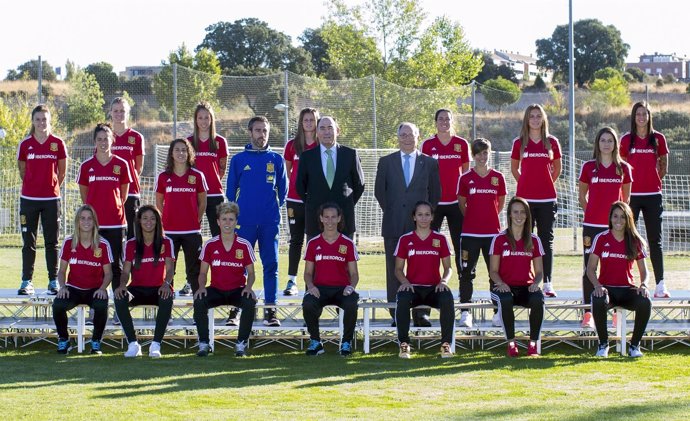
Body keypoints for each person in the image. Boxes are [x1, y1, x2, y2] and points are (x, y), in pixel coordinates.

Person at [374, 122, 440, 327]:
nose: (407, 138)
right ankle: (396, 312)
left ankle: (421, 313)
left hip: (421, 228)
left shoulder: (429, 163)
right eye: (403, 135)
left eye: (411, 135)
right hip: (393, 224)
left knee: (424, 269)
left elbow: (435, 195)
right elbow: (380, 192)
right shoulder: (386, 162)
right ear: (398, 138)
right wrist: (396, 211)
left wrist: (422, 219)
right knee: (394, 269)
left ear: (418, 136)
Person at [226, 116, 287, 327]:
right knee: (240, 266)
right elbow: (230, 192)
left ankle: (271, 311)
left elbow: (283, 191)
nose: (262, 135)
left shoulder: (277, 160)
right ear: (250, 132)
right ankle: (236, 309)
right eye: (258, 130)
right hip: (245, 224)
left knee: (271, 265)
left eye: (265, 131)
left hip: (269, 223)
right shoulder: (239, 160)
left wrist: (270, 210)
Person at [578, 127, 632, 328]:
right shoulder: (588, 167)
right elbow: (582, 196)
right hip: (592, 226)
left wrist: (617, 221)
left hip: (615, 229)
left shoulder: (623, 168)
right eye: (603, 140)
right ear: (597, 144)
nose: (606, 144)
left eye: (610, 140)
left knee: (615, 267)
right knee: (589, 269)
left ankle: (616, 311)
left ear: (615, 144)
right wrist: (592, 212)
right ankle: (588, 312)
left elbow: (625, 200)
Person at [586, 201, 652, 358]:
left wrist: (644, 285)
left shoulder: (635, 241)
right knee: (598, 298)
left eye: (623, 217)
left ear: (628, 219)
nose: (618, 220)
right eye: (615, 216)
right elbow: (590, 269)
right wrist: (597, 286)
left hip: (627, 290)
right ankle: (603, 344)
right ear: (610, 218)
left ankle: (634, 346)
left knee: (645, 301)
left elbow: (644, 271)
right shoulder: (601, 238)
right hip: (607, 289)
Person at [510, 104, 561, 297]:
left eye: (539, 116)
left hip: (547, 199)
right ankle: (525, 280)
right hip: (525, 201)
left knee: (546, 240)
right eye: (532, 116)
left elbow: (557, 169)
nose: (535, 119)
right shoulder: (519, 143)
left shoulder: (552, 142)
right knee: (525, 241)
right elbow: (515, 169)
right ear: (526, 119)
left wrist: (544, 184)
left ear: (543, 119)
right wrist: (526, 184)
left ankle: (547, 282)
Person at [194, 202, 257, 357]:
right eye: (224, 219)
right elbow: (202, 273)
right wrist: (201, 287)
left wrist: (248, 287)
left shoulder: (244, 245)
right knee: (199, 300)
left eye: (231, 219)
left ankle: (241, 344)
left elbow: (252, 273)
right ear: (218, 222)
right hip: (216, 289)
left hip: (237, 290)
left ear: (236, 222)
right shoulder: (209, 245)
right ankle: (203, 343)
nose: (227, 223)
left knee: (250, 302)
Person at [620, 101, 670, 298]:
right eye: (638, 114)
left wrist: (653, 181)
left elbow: (664, 166)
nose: (641, 117)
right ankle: (626, 280)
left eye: (644, 114)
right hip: (631, 196)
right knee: (628, 238)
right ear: (633, 117)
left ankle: (660, 284)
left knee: (654, 240)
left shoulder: (658, 139)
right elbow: (621, 167)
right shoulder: (626, 140)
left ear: (649, 117)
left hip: (652, 196)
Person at [17, 105, 67, 295]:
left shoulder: (58, 143)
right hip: (28, 200)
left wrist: (50, 187)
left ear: (49, 121)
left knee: (51, 242)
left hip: (51, 200)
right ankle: (26, 281)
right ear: (33, 121)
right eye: (37, 119)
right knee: (28, 241)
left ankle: (53, 281)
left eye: (44, 119)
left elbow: (61, 172)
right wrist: (33, 185)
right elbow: (22, 171)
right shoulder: (25, 144)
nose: (41, 123)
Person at [394, 201, 454, 359]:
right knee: (402, 298)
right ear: (414, 217)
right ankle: (404, 344)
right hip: (413, 288)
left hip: (434, 288)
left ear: (433, 217)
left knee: (447, 297)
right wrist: (405, 282)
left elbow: (448, 267)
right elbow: (398, 269)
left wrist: (444, 281)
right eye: (420, 214)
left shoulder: (440, 239)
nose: (423, 218)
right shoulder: (405, 239)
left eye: (427, 214)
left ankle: (446, 344)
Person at [77, 123, 132, 294]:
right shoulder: (86, 166)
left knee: (116, 265)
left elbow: (123, 196)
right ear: (94, 141)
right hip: (95, 226)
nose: (103, 142)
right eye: (99, 139)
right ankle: (96, 304)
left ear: (112, 140)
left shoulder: (121, 164)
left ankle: (118, 304)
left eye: (106, 139)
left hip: (116, 224)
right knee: (95, 265)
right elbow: (85, 197)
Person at [457, 138, 506, 328]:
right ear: (473, 155)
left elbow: (500, 203)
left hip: (492, 235)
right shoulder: (465, 178)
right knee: (467, 273)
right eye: (478, 153)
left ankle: (497, 312)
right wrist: (473, 219)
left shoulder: (498, 177)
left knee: (494, 273)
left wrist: (489, 217)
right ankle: (465, 313)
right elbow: (462, 203)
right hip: (470, 234)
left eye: (485, 153)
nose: (482, 157)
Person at [114, 205, 175, 358]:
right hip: (137, 290)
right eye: (145, 218)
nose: (149, 222)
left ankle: (156, 344)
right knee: (119, 296)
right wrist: (122, 285)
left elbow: (170, 270)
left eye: (153, 218)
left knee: (167, 296)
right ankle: (133, 344)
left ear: (158, 222)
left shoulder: (166, 242)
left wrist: (166, 284)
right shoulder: (131, 244)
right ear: (139, 221)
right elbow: (126, 271)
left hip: (158, 289)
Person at [52, 205, 113, 355]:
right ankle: (64, 340)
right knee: (58, 305)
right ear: (77, 221)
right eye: (82, 218)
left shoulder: (103, 244)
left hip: (95, 289)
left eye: (89, 218)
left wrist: (103, 288)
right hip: (74, 288)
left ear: (94, 222)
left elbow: (109, 273)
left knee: (101, 305)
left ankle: (96, 342)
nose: (86, 222)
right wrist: (62, 287)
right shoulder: (69, 242)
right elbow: (61, 271)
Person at [489, 197, 545, 357]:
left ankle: (533, 343)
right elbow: (493, 271)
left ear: (527, 216)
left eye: (522, 212)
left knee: (538, 299)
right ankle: (511, 344)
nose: (519, 216)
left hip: (526, 287)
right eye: (515, 212)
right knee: (505, 299)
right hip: (503, 287)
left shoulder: (534, 240)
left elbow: (540, 271)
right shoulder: (499, 239)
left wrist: (536, 283)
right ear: (510, 215)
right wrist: (500, 283)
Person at [302, 202, 360, 357]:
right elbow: (307, 273)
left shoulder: (347, 243)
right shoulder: (313, 243)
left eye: (333, 217)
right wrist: (310, 286)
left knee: (352, 302)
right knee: (308, 303)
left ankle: (346, 343)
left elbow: (354, 274)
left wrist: (351, 287)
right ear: (321, 218)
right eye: (326, 217)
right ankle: (315, 342)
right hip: (320, 288)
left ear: (339, 218)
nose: (330, 221)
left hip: (342, 289)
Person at [296, 115, 365, 240]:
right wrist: (314, 202)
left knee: (346, 258)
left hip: (344, 219)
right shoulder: (307, 157)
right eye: (322, 128)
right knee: (315, 259)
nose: (326, 132)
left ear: (337, 131)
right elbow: (300, 186)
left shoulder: (350, 154)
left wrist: (346, 202)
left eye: (330, 127)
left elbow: (359, 185)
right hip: (315, 220)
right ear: (317, 132)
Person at [155, 138, 207, 296]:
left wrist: (195, 220)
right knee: (168, 271)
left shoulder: (197, 176)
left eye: (184, 150)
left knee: (194, 272)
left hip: (192, 231)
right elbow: (159, 203)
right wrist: (167, 221)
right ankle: (166, 309)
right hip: (169, 232)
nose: (181, 153)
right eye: (177, 150)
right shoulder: (164, 177)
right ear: (171, 153)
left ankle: (199, 311)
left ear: (189, 153)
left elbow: (203, 202)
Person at [421, 108, 470, 274]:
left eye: (447, 119)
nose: (444, 122)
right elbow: (423, 174)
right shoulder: (427, 145)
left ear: (452, 121)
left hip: (456, 203)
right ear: (435, 122)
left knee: (460, 243)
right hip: (434, 204)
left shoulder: (461, 144)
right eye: (441, 119)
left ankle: (464, 280)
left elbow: (466, 174)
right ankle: (429, 278)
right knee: (431, 244)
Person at [282, 107, 320, 297]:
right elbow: (288, 172)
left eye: (312, 120)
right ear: (301, 122)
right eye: (305, 120)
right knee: (296, 240)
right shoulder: (292, 145)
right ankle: (291, 280)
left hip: (315, 202)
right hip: (294, 200)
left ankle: (314, 279)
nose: (308, 123)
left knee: (314, 241)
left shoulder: (322, 144)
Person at [187, 101, 229, 238]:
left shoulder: (220, 142)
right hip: (193, 193)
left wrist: (210, 182)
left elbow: (221, 170)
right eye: (200, 117)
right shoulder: (188, 142)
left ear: (211, 119)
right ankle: (197, 259)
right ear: (195, 120)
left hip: (215, 194)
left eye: (207, 117)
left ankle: (219, 259)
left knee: (218, 233)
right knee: (192, 231)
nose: (203, 121)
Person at [110, 97, 145, 240]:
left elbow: (138, 167)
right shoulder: (105, 136)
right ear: (110, 113)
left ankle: (132, 263)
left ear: (128, 113)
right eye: (116, 111)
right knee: (112, 234)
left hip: (131, 192)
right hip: (110, 193)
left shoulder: (136, 137)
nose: (119, 114)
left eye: (122, 111)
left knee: (132, 236)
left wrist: (125, 183)